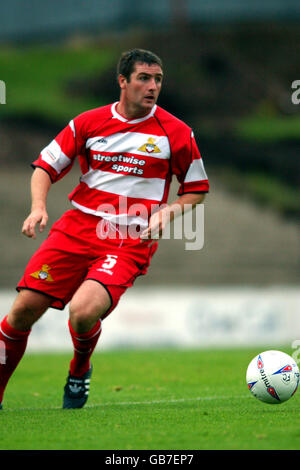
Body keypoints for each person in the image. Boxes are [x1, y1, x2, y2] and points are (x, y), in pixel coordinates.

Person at [0, 49, 209, 410]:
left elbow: (196, 189)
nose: (152, 86)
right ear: (122, 82)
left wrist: (170, 213)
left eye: (158, 79)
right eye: (144, 78)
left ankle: (79, 369)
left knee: (82, 312)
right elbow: (45, 167)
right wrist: (38, 207)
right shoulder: (88, 122)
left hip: (128, 238)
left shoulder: (175, 132)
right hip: (77, 228)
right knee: (21, 312)